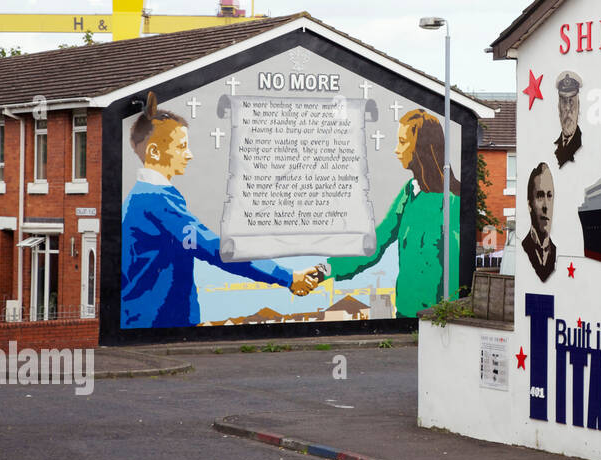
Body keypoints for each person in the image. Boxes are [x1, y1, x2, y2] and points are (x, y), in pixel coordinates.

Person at [121, 92, 320, 329]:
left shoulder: (141, 197)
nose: (189, 155)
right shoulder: (156, 201)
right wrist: (288, 277)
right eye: (182, 146)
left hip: (145, 320)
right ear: (154, 152)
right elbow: (215, 249)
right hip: (158, 325)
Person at [328, 109, 461, 316]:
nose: (397, 150)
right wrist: (326, 270)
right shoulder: (409, 192)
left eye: (403, 142)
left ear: (421, 148)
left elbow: (453, 263)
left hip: (439, 318)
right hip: (406, 312)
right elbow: (378, 240)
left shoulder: (454, 199)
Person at [522, 163, 556, 281]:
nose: (546, 206)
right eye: (540, 196)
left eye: (550, 196)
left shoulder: (556, 252)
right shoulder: (524, 247)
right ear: (529, 204)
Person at [553, 71, 583, 167]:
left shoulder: (579, 143)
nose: (567, 108)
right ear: (558, 106)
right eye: (563, 101)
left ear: (578, 105)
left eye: (571, 102)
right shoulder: (557, 145)